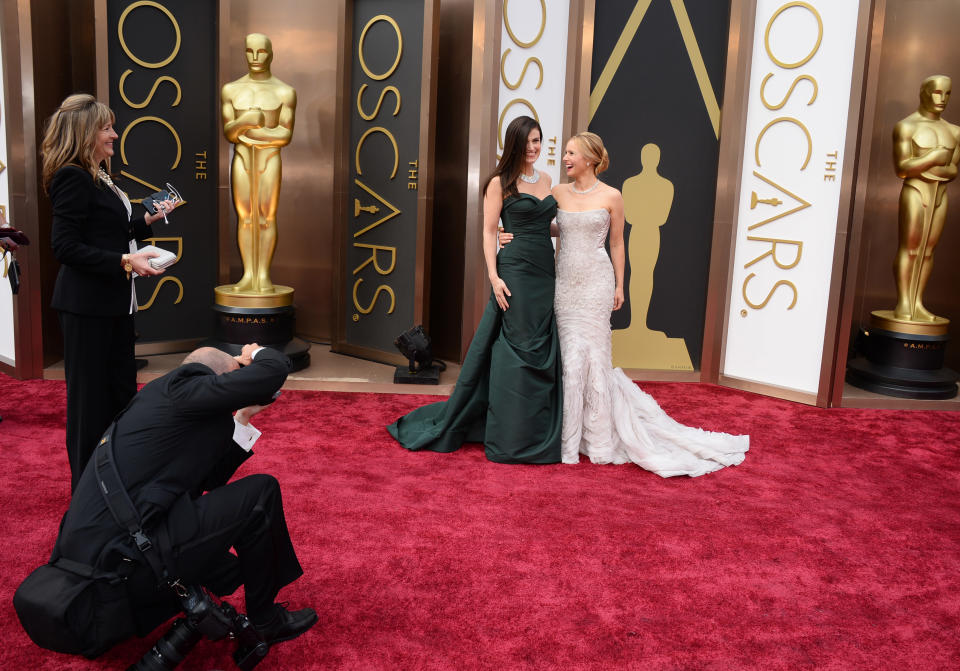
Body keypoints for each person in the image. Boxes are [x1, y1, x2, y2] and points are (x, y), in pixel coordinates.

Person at [51, 343, 316, 650]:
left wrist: (241, 417)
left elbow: (208, 480)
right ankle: (266, 621)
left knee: (235, 511)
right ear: (224, 377)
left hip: (110, 554)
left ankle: (229, 578)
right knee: (261, 492)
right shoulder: (187, 387)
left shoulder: (160, 399)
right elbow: (273, 371)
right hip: (121, 567)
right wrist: (255, 353)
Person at [551, 132, 748, 476]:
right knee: (570, 361)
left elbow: (616, 244)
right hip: (565, 285)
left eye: (571, 152)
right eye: (565, 152)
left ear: (591, 158)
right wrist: (511, 233)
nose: (565, 158)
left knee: (596, 360)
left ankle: (598, 440)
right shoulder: (557, 193)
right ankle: (568, 441)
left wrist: (620, 285)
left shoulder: (612, 195)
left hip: (596, 284)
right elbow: (550, 228)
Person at [387, 115, 562, 463]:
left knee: (541, 344)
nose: (534, 147)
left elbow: (548, 225)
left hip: (544, 271)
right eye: (528, 141)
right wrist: (494, 277)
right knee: (518, 346)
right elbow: (487, 232)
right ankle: (511, 432)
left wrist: (579, 228)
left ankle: (536, 427)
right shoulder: (499, 182)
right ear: (514, 143)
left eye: (538, 140)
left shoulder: (547, 179)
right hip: (514, 271)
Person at [41, 93, 179, 491]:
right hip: (86, 308)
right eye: (106, 128)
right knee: (89, 405)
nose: (114, 134)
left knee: (119, 397)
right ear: (85, 133)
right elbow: (64, 246)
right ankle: (85, 494)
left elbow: (106, 231)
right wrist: (124, 261)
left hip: (115, 306)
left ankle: (115, 483)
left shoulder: (99, 176)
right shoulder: (73, 176)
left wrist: (145, 220)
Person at [221, 32, 297, 295]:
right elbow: (230, 133)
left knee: (265, 217)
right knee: (245, 218)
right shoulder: (231, 90)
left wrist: (247, 131)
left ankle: (263, 275)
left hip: (269, 160)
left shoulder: (284, 92)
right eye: (249, 51)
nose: (255, 58)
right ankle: (248, 275)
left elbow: (285, 135)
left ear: (271, 53)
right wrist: (248, 121)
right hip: (242, 158)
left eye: (261, 52)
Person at [890, 74, 960, 322]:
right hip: (915, 192)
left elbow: (952, 170)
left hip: (940, 194)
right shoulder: (907, 127)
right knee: (910, 248)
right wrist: (933, 159)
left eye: (948, 93)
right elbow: (902, 168)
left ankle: (918, 302)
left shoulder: (954, 131)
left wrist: (925, 165)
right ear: (924, 93)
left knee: (928, 251)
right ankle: (904, 303)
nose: (943, 99)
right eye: (937, 92)